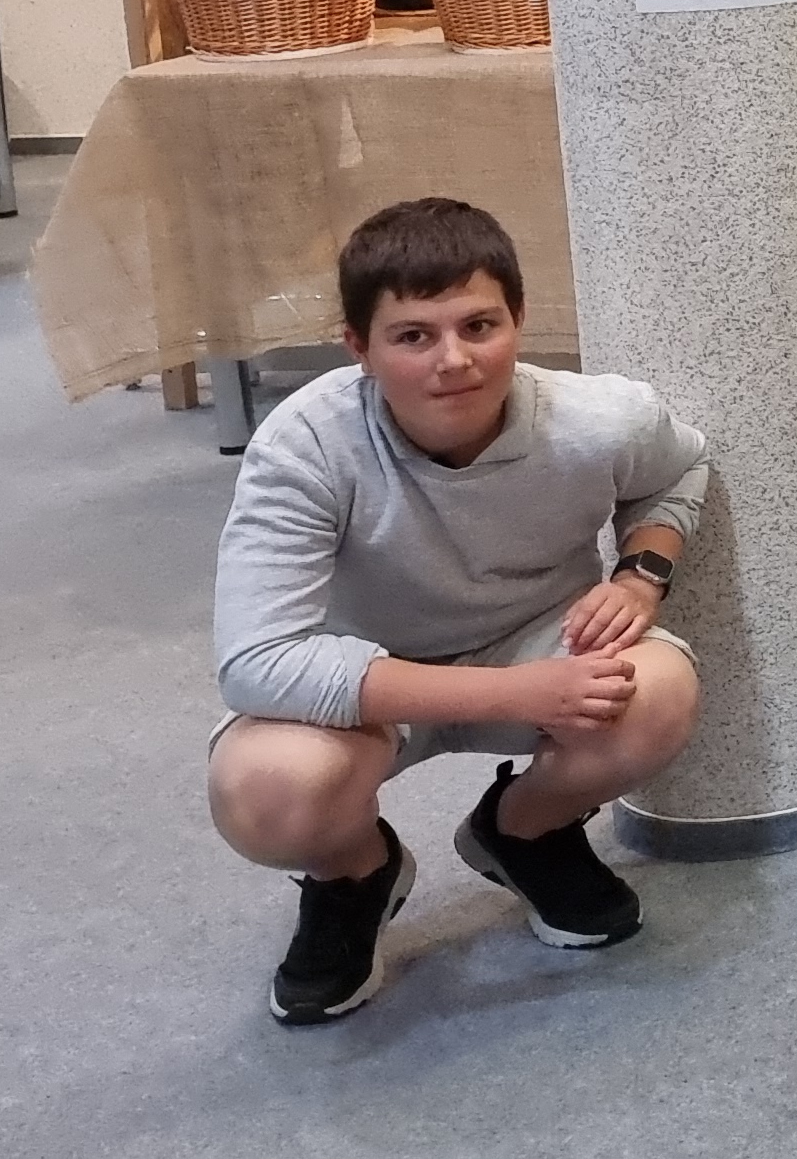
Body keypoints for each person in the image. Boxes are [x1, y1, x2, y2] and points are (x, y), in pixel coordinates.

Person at [206, 199, 706, 1025]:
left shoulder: (598, 416)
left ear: (519, 318)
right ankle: (355, 876)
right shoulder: (304, 444)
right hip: (372, 680)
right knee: (266, 792)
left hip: (534, 641)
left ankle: (525, 832)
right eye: (413, 336)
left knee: (656, 693)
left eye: (479, 326)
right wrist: (516, 696)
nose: (455, 361)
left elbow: (681, 467)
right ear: (358, 348)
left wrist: (641, 576)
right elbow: (256, 661)